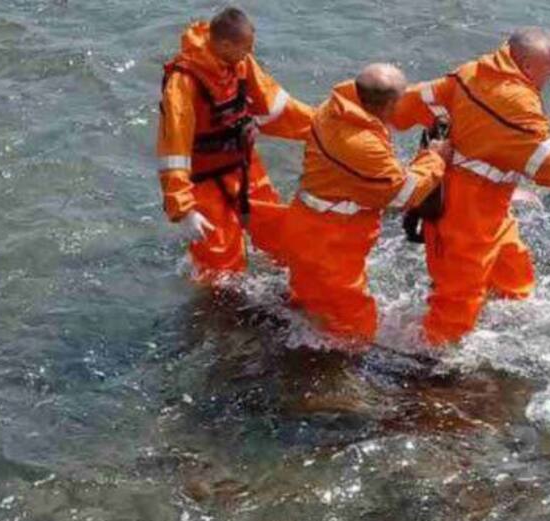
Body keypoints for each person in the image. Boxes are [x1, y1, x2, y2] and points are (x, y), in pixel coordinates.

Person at [388, 28, 550, 346]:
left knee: (512, 268)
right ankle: (430, 365)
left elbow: (413, 103)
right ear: (526, 66)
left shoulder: (471, 73)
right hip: (464, 211)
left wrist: (379, 108)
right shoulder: (515, 103)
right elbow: (547, 159)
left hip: (489, 205)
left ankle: (508, 318)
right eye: (548, 65)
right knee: (458, 298)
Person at [282, 64, 448, 342]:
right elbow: (402, 196)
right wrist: (434, 158)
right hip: (332, 240)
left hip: (305, 221)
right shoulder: (361, 143)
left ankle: (304, 345)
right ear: (389, 104)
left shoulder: (332, 108)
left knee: (310, 302)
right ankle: (339, 374)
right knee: (353, 327)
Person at [156, 8, 313, 281]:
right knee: (219, 267)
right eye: (246, 48)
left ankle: (296, 287)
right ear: (225, 45)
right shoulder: (184, 82)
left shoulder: (240, 62)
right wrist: (184, 209)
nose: (250, 54)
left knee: (280, 233)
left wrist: (324, 128)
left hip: (244, 167)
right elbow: (174, 150)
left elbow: (275, 107)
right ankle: (218, 316)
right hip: (205, 182)